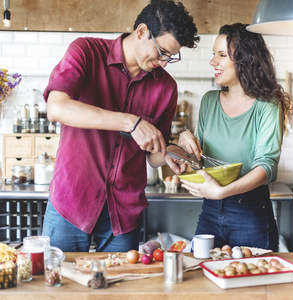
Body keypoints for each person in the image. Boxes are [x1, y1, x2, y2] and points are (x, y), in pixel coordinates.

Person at [41, 0, 199, 252]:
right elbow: (57, 107)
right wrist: (130, 122)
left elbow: (153, 156)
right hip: (71, 202)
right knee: (59, 288)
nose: (164, 62)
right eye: (162, 52)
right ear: (141, 32)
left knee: (120, 289)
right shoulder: (86, 52)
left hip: (123, 213)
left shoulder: (166, 87)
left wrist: (173, 150)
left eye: (171, 56)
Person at [177, 23, 293, 251]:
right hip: (210, 211)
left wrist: (222, 192)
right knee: (200, 277)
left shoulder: (267, 106)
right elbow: (197, 161)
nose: (213, 62)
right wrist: (184, 138)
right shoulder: (209, 101)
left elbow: (267, 166)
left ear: (244, 60)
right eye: (214, 55)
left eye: (221, 55)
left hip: (251, 214)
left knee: (254, 281)